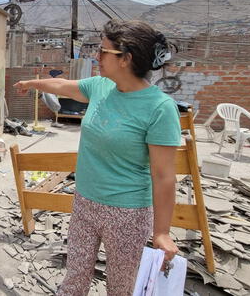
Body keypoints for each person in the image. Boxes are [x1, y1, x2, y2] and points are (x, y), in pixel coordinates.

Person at [13, 20, 181, 295]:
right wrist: (32, 83)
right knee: (75, 277)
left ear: (126, 59)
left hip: (127, 214)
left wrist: (161, 232)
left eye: (103, 51)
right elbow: (63, 85)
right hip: (85, 203)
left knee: (121, 287)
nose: (96, 56)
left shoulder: (160, 108)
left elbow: (164, 176)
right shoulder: (101, 87)